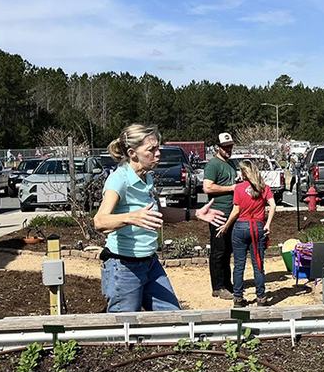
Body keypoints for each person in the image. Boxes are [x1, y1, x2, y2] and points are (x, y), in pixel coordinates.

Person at [93, 124, 224, 312]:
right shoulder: (119, 180)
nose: (158, 153)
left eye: (158, 148)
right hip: (124, 267)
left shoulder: (147, 178)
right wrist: (132, 217)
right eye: (151, 149)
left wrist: (194, 214)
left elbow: (158, 212)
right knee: (126, 330)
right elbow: (100, 221)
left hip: (150, 263)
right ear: (132, 153)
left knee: (172, 318)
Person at [217, 159, 276, 306]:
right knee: (258, 264)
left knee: (239, 264)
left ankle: (238, 297)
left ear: (243, 173)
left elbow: (236, 210)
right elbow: (273, 205)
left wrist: (225, 225)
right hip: (257, 227)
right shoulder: (264, 187)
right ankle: (261, 297)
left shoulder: (238, 188)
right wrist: (268, 224)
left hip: (241, 226)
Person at [203, 132, 238, 299]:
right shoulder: (213, 165)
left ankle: (227, 283)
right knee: (219, 250)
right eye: (225, 147)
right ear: (218, 147)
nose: (228, 149)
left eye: (230, 146)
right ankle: (218, 286)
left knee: (227, 250)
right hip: (217, 213)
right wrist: (231, 188)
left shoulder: (230, 164)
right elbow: (208, 187)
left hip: (231, 213)